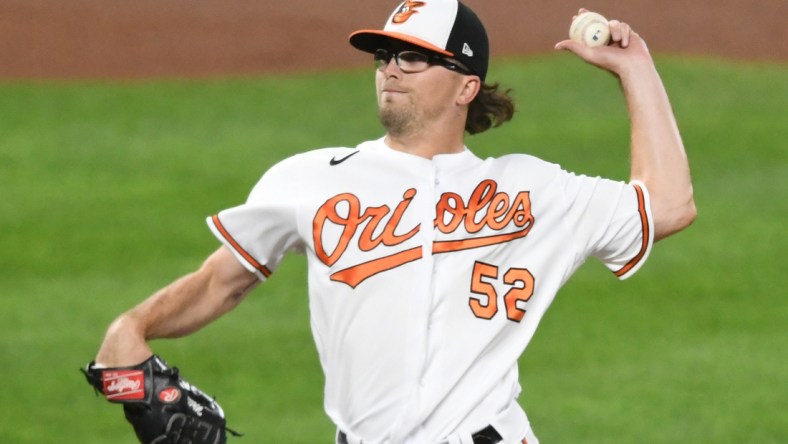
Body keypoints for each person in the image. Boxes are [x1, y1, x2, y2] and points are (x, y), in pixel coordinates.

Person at [91, 1, 696, 443]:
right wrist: (133, 324)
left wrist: (635, 68)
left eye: (413, 57)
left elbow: (668, 205)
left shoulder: (532, 189)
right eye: (385, 56)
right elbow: (221, 280)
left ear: (466, 86)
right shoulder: (310, 178)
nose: (390, 69)